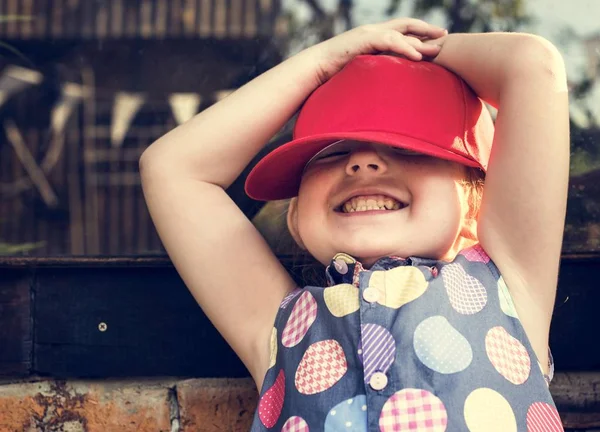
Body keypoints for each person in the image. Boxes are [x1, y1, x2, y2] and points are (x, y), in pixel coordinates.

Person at [140, 17, 568, 431]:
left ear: (477, 200)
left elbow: (531, 65)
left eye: (409, 147)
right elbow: (172, 169)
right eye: (330, 152)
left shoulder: (509, 288)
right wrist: (321, 61)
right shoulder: (279, 325)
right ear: (295, 216)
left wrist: (406, 49)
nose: (363, 163)